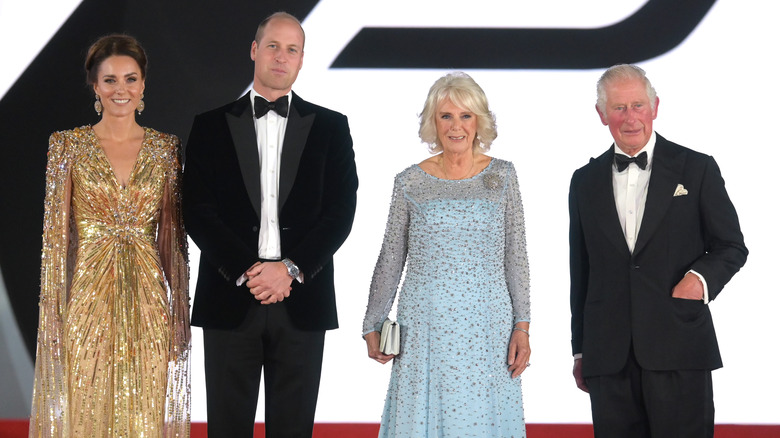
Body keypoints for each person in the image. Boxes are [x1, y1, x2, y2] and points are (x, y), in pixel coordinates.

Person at [182, 11, 358, 438]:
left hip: (302, 299)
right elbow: (197, 211)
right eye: (273, 46)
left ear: (301, 61)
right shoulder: (209, 126)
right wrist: (249, 269)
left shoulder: (333, 127)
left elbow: (340, 212)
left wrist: (290, 269)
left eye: (292, 49)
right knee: (226, 429)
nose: (282, 57)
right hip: (230, 297)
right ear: (255, 50)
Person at [569, 64, 748, 437]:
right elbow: (581, 269)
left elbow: (731, 246)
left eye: (638, 105)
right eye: (619, 108)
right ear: (602, 114)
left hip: (679, 347)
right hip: (608, 356)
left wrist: (698, 281)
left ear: (655, 107)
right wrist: (581, 350)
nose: (630, 117)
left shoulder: (697, 168)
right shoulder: (584, 181)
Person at [29, 34, 190, 438]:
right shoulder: (67, 146)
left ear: (143, 85)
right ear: (95, 86)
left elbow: (173, 241)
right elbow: (54, 244)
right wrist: (54, 320)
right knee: (86, 415)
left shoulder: (166, 149)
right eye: (111, 80)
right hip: (86, 306)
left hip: (150, 305)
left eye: (131, 79)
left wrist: (179, 318)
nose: (122, 90)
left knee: (145, 419)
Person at [363, 71, 531, 437]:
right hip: (424, 324)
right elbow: (391, 256)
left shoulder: (502, 176)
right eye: (446, 116)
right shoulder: (409, 181)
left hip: (489, 325)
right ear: (432, 123)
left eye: (465, 116)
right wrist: (372, 322)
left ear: (479, 121)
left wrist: (522, 326)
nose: (456, 126)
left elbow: (515, 256)